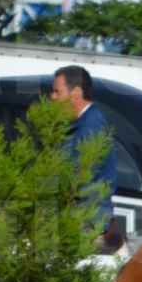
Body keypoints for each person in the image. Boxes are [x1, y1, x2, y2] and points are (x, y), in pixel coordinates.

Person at [51, 65, 123, 252]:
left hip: (85, 223)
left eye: (57, 92)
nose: (53, 97)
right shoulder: (81, 124)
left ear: (75, 93)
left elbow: (78, 175)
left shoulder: (91, 126)